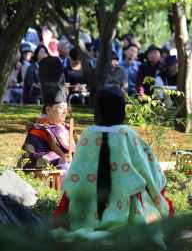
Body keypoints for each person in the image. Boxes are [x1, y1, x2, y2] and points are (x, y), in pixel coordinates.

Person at [54, 86, 173, 235]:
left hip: (86, 203)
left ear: (97, 111)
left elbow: (77, 171)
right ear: (121, 111)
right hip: (125, 200)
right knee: (136, 191)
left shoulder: (88, 134)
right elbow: (147, 168)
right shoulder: (127, 134)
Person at [21, 56, 74, 177]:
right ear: (48, 110)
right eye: (61, 108)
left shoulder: (66, 128)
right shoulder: (38, 131)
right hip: (54, 173)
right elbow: (33, 155)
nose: (64, 112)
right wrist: (58, 160)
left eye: (66, 109)